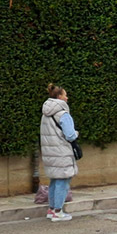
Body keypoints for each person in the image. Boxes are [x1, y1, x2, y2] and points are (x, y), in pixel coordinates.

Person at [40, 83, 79, 222]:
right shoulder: (63, 114)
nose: (67, 98)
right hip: (62, 152)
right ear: (59, 97)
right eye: (65, 95)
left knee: (54, 180)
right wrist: (76, 133)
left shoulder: (45, 115)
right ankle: (58, 211)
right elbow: (70, 135)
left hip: (50, 152)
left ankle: (51, 210)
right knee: (63, 181)